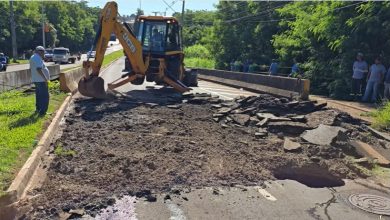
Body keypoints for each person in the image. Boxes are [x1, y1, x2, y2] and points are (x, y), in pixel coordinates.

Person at [30, 46, 50, 116]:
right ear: (40, 51)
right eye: (43, 52)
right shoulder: (37, 58)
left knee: (39, 95)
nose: (44, 54)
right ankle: (43, 112)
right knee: (45, 96)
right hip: (41, 80)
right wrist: (45, 79)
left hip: (37, 80)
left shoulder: (33, 57)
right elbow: (39, 69)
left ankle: (38, 109)